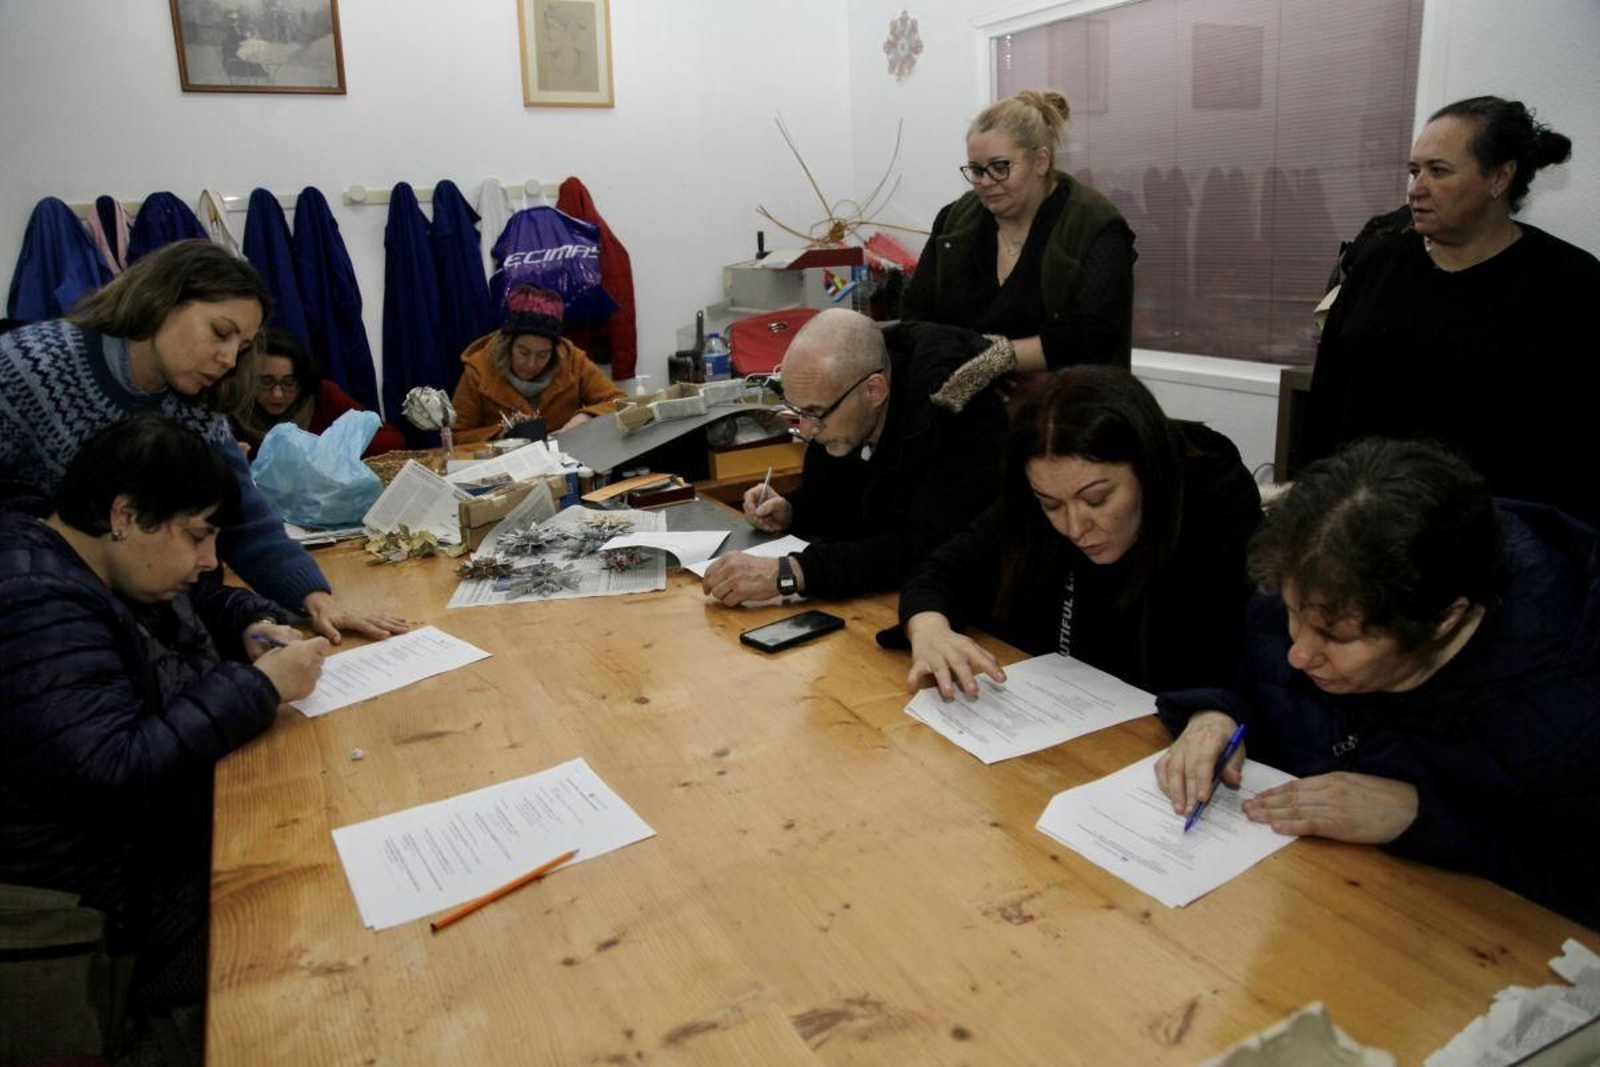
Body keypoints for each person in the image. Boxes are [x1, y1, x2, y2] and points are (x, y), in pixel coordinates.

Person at [1155, 438, 1600, 929]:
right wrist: (1217, 713)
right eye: (1291, 613)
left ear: (1442, 621)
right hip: (1287, 906)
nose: (1298, 652)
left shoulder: (1566, 712)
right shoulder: (1311, 586)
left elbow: (1577, 891)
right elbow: (1255, 685)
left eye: (1336, 636)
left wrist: (1421, 817)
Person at [0, 413, 328, 1008]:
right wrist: (257, 689)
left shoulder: (93, 558)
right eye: (198, 536)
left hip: (150, 859)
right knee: (315, 917)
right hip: (114, 910)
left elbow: (199, 596)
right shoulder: (36, 605)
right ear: (126, 515)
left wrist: (251, 621)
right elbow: (109, 769)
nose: (208, 560)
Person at [0, 239, 405, 642]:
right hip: (42, 619)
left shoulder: (199, 404)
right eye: (220, 333)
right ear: (164, 299)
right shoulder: (30, 365)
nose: (229, 359)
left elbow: (243, 516)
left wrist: (315, 598)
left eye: (241, 347)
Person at [1307, 96, 1600, 528]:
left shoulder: (1569, 284)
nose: (1416, 188)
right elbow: (1326, 402)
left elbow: (1584, 445)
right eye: (1414, 171)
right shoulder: (1378, 263)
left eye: (1438, 171)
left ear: (1499, 177)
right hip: (1363, 530)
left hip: (1495, 544)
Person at [900, 366, 1261, 700]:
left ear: (1149, 470)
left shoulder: (1215, 505)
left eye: (1097, 498)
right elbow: (940, 572)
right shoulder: (1041, 487)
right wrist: (930, 630)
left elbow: (1236, 671)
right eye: (1051, 505)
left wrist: (1212, 711)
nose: (1074, 527)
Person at [701, 308, 1008, 606]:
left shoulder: (958, 420)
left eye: (816, 414)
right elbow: (842, 503)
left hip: (956, 614)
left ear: (874, 391)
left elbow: (925, 546)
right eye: (798, 413)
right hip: (869, 600)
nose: (807, 431)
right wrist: (794, 509)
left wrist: (792, 572)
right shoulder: (839, 410)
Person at [901, 88, 1135, 388]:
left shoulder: (1094, 227)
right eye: (976, 170)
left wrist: (998, 358)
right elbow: (917, 313)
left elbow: (1093, 336)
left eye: (1000, 167)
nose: (985, 182)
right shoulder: (954, 221)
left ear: (1041, 161)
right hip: (964, 402)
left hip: (1064, 406)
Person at [451, 284, 626, 444]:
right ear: (508, 344)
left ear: (555, 351)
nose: (531, 364)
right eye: (523, 352)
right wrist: (502, 435)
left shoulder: (572, 360)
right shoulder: (479, 368)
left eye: (543, 355)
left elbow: (618, 401)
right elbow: (457, 434)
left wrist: (586, 416)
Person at [221, 327, 405, 458]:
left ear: (302, 381)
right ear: (249, 379)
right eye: (266, 382)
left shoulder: (321, 395)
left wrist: (324, 452)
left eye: (289, 383)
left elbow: (391, 440)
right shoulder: (233, 405)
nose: (277, 394)